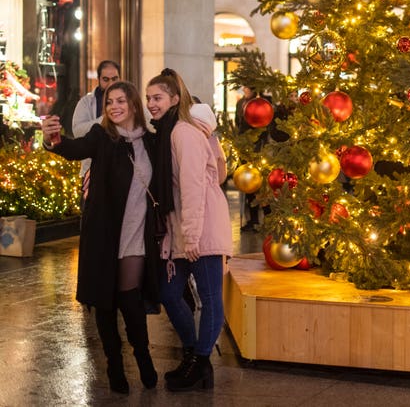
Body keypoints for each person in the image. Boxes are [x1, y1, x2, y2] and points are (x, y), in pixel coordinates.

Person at [41, 81, 159, 394]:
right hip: (105, 231)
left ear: (134, 104)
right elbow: (72, 149)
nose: (114, 107)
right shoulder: (101, 136)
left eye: (121, 101)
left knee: (130, 297)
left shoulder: (151, 141)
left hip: (136, 233)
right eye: (109, 102)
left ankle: (143, 356)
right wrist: (53, 139)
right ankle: (113, 364)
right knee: (106, 301)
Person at [146, 68, 232, 392]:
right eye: (148, 98)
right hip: (181, 230)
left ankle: (198, 362)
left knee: (211, 300)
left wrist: (192, 236)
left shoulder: (184, 132)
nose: (151, 104)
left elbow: (193, 187)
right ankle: (195, 357)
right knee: (169, 293)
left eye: (157, 98)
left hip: (202, 230)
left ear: (174, 99)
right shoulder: (167, 132)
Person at [72, 60, 121, 203]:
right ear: (99, 79)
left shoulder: (129, 101)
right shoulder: (86, 102)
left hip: (119, 170)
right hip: (92, 170)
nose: (111, 83)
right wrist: (104, 119)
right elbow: (78, 131)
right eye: (106, 79)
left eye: (115, 79)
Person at [234, 86, 265, 231]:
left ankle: (265, 218)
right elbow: (237, 123)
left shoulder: (261, 104)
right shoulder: (241, 104)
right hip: (244, 147)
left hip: (258, 148)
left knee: (260, 187)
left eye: (247, 87)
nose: (244, 89)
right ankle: (251, 220)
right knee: (247, 186)